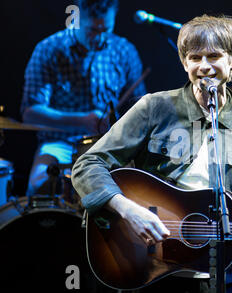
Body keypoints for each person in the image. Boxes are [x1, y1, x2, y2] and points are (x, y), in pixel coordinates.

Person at [71, 14, 232, 293]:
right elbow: (87, 164)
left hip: (224, 278)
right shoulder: (154, 108)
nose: (204, 66)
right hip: (154, 271)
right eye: (195, 58)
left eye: (214, 56)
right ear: (184, 63)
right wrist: (127, 209)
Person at [20, 0, 146, 196]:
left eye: (106, 29)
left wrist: (123, 122)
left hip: (109, 144)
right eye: (92, 30)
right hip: (60, 143)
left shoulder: (124, 50)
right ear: (76, 19)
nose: (100, 38)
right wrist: (81, 121)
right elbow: (31, 114)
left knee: (136, 192)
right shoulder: (48, 49)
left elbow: (139, 107)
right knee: (39, 187)